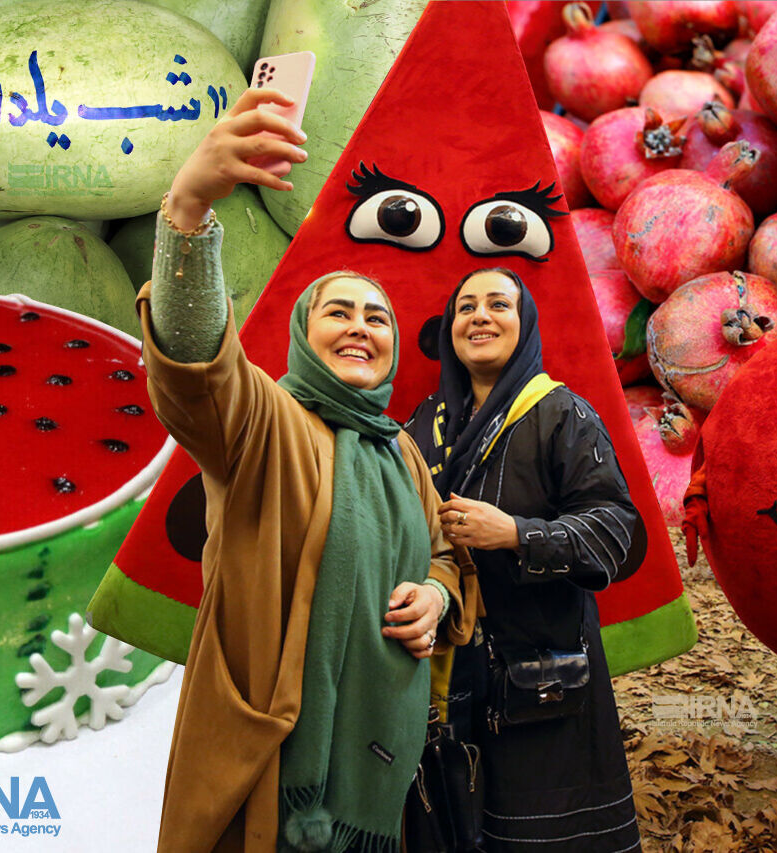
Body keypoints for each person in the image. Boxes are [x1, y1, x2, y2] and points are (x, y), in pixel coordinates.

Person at [143, 86, 475, 852]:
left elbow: (445, 553)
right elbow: (198, 367)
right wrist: (188, 212)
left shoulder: (400, 453)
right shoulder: (264, 423)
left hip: (377, 782)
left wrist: (433, 592)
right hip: (270, 762)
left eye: (377, 317)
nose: (361, 326)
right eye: (339, 312)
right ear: (301, 333)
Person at [404, 268, 641, 852]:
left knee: (547, 832)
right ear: (450, 330)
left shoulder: (562, 415)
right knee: (460, 821)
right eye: (466, 307)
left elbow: (618, 533)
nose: (479, 316)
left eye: (497, 305)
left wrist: (517, 533)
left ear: (525, 324)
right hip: (451, 667)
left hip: (543, 669)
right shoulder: (422, 425)